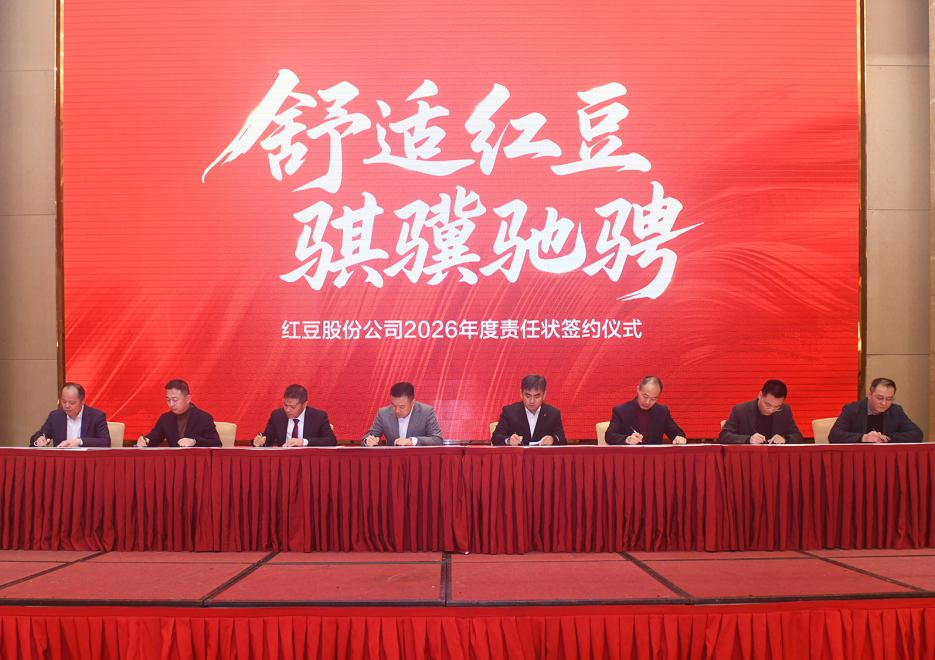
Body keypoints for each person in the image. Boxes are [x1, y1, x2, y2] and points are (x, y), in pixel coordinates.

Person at [828, 377, 923, 443]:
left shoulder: (896, 411)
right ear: (869, 395)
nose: (884, 403)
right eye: (879, 398)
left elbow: (917, 434)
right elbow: (834, 435)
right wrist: (864, 438)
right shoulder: (852, 409)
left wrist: (886, 437)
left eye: (889, 399)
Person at [136, 379, 221, 448]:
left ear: (188, 399)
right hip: (174, 461)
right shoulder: (165, 418)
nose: (171, 404)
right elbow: (153, 438)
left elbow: (216, 443)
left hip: (196, 461)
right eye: (168, 400)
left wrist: (194, 442)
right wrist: (145, 441)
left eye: (175, 400)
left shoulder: (204, 418)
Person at [605, 376, 686, 445]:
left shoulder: (662, 412)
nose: (647, 402)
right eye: (645, 396)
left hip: (654, 457)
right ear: (638, 390)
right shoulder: (621, 411)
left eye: (653, 399)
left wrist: (679, 438)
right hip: (630, 456)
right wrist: (627, 439)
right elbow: (609, 436)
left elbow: (677, 433)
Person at [719, 379, 804, 444]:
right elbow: (724, 436)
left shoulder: (785, 410)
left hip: (774, 458)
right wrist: (748, 439)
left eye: (777, 406)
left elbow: (798, 436)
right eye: (768, 405)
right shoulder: (740, 410)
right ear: (760, 395)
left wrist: (785, 439)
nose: (771, 410)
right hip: (748, 458)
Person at [491, 374, 566, 446]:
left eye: (537, 396)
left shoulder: (553, 414)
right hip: (518, 455)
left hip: (543, 455)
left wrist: (552, 439)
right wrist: (508, 440)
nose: (532, 401)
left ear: (544, 395)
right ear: (521, 394)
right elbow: (496, 438)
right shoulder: (509, 412)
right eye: (528, 396)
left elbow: (562, 440)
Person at [30, 382, 110, 448]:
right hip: (62, 460)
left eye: (72, 403)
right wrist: (39, 440)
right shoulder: (55, 416)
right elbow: (37, 436)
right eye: (64, 401)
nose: (67, 406)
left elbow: (105, 442)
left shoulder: (96, 416)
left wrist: (80, 441)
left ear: (82, 401)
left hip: (86, 460)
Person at [254, 384, 336, 447]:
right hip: (284, 459)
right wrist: (261, 442)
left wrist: (303, 442)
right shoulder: (277, 415)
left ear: (304, 404)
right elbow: (268, 439)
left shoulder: (318, 417)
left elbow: (331, 441)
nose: (287, 410)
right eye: (285, 405)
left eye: (292, 407)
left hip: (308, 460)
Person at [362, 382, 443, 446]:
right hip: (393, 460)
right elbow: (368, 436)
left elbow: (437, 439)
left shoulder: (426, 412)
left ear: (413, 402)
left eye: (402, 407)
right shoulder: (383, 413)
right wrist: (367, 440)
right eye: (393, 405)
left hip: (417, 459)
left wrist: (412, 441)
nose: (397, 410)